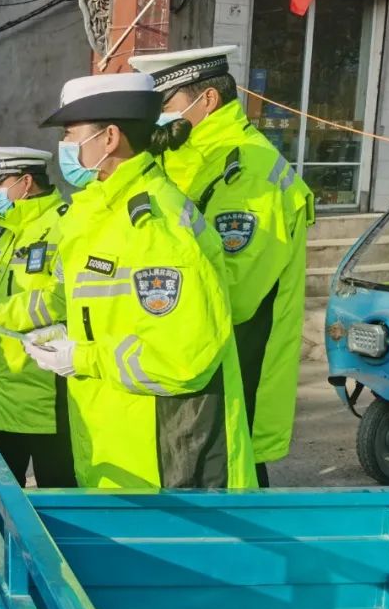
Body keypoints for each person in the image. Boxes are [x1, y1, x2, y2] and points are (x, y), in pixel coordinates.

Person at [25, 72, 258, 489]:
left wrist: (82, 357)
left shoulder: (153, 223)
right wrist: (70, 332)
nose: (65, 146)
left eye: (70, 133)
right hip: (121, 439)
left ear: (110, 137)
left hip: (164, 455)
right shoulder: (103, 213)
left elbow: (180, 358)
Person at [129, 46, 316, 486]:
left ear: (207, 100)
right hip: (193, 366)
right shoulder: (180, 162)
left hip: (234, 367)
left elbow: (235, 292)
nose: (159, 118)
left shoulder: (249, 171)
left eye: (167, 105)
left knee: (232, 493)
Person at [0, 148, 76, 490]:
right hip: (1, 392)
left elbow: (62, 297)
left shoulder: (63, 226)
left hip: (43, 392)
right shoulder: (11, 231)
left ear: (26, 183)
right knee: (2, 500)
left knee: (58, 494)